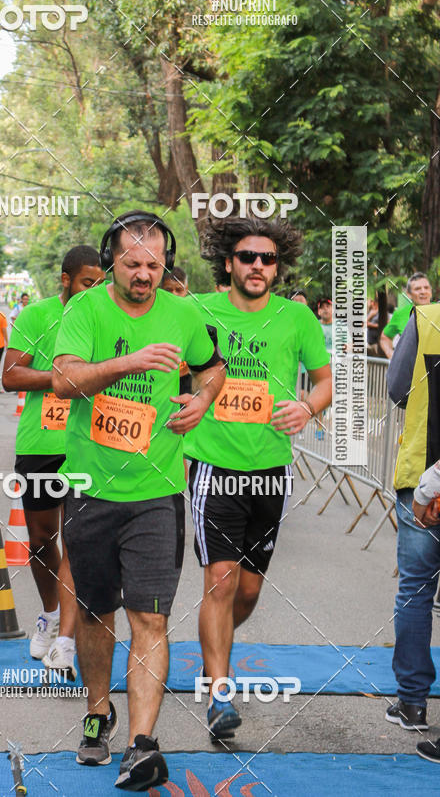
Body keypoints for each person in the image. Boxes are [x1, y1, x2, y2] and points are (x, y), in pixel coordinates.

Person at [52, 211, 226, 791]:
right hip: (90, 489)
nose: (145, 274)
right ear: (111, 264)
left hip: (157, 490)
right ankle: (99, 713)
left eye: (154, 264)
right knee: (98, 615)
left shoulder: (183, 313)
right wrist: (130, 361)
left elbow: (211, 368)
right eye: (133, 264)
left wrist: (202, 401)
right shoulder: (86, 310)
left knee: (150, 617)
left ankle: (142, 745)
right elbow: (64, 381)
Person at [184, 215, 332, 741]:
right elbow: (174, 370)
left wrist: (307, 409)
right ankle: (220, 693)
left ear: (277, 266)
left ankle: (213, 658)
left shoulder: (297, 319)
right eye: (248, 257)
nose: (258, 266)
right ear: (229, 263)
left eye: (267, 259)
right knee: (220, 581)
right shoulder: (198, 311)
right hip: (213, 467)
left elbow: (323, 380)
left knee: (248, 591)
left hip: (270, 471)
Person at [2, 247, 104, 675]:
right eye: (86, 283)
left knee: (76, 542)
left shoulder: (106, 318)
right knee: (43, 542)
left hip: (87, 445)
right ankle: (48, 613)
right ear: (65, 280)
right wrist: (61, 381)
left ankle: (66, 639)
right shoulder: (37, 317)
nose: (94, 290)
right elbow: (9, 375)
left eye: (100, 283)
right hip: (40, 446)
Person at [385, 303, 440, 756]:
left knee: (416, 590)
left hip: (422, 479)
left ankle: (413, 702)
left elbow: (397, 389)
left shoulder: (425, 319)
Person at [380, 272, 432, 358]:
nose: (423, 292)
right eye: (418, 289)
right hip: (410, 370)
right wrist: (393, 357)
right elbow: (385, 337)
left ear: (430, 291)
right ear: (409, 294)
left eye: (426, 288)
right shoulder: (400, 314)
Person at [162, 267, 192, 394]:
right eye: (169, 290)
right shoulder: (150, 314)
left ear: (186, 289)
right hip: (157, 381)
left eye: (179, 290)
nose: (174, 294)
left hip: (185, 381)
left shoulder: (194, 316)